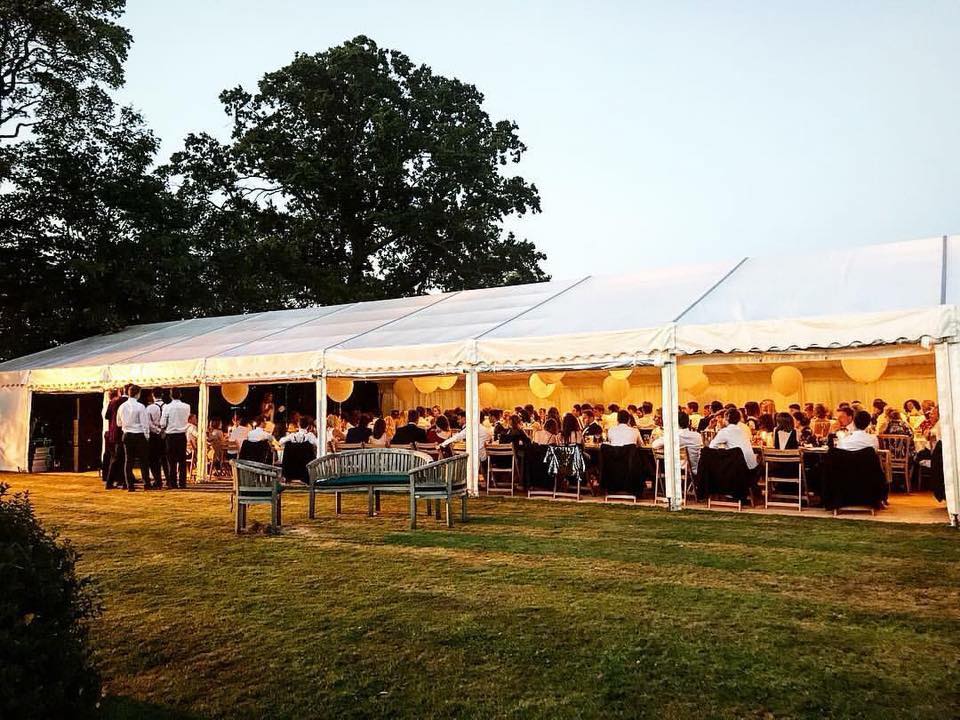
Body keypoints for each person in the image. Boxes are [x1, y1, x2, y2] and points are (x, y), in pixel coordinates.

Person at [118, 385, 151, 491]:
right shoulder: (140, 406)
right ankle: (146, 484)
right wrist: (147, 436)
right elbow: (144, 423)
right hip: (139, 434)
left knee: (128, 461)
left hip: (127, 434)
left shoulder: (122, 406)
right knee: (143, 460)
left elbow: (118, 423)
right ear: (138, 394)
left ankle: (129, 485)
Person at [161, 388, 191, 488]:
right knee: (182, 461)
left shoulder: (167, 407)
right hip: (182, 435)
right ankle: (183, 483)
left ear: (170, 395)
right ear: (180, 394)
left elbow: (162, 423)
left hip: (171, 435)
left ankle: (172, 483)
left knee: (171, 461)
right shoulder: (187, 406)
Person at [103, 387, 128, 489]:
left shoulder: (113, 402)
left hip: (113, 433)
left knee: (116, 458)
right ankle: (115, 481)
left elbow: (107, 416)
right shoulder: (128, 402)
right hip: (122, 432)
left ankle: (117, 480)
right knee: (122, 458)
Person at [142, 389, 166, 489]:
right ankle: (169, 480)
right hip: (165, 435)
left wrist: (157, 430)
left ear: (153, 395)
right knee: (165, 459)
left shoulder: (149, 408)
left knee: (154, 460)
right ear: (163, 394)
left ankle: (158, 480)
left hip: (154, 436)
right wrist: (163, 430)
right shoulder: (167, 406)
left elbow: (148, 423)